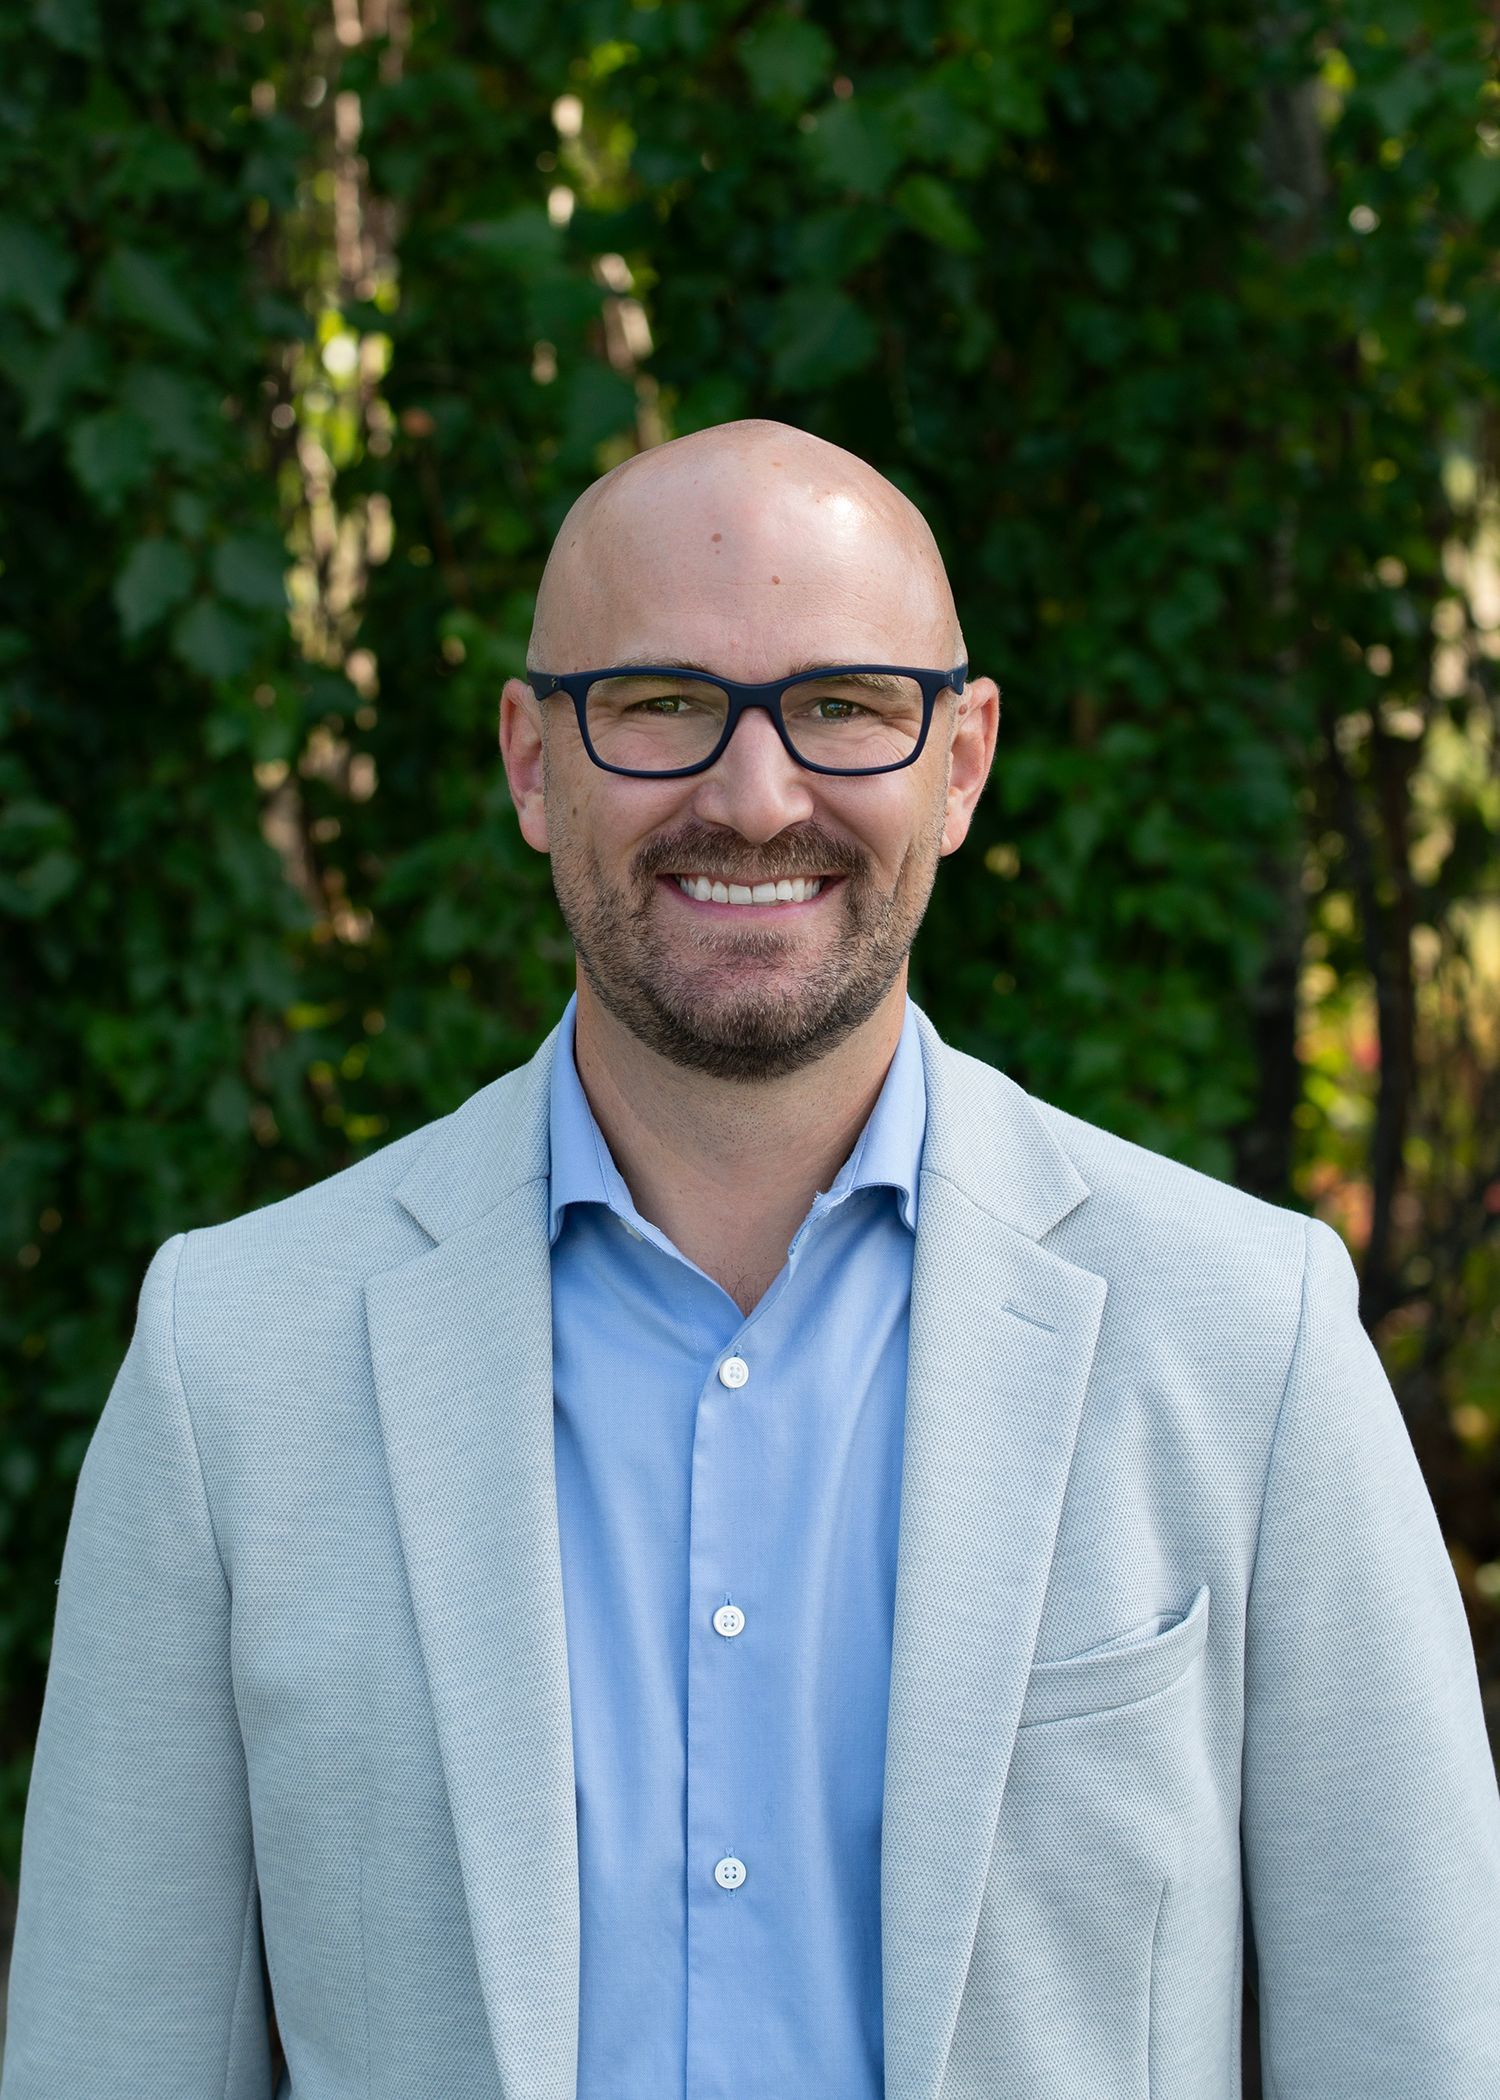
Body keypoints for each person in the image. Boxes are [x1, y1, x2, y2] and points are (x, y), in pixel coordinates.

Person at [3, 419, 1498, 2100]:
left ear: (961, 759)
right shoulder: (234, 1364)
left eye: (844, 704)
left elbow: (1416, 2053)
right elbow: (105, 2057)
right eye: (659, 704)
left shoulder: (1252, 1344)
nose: (755, 794)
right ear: (527, 758)